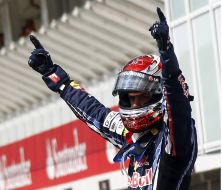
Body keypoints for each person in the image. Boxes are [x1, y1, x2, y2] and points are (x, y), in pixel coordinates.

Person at [28, 8, 197, 190]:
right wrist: (54, 76)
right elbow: (93, 112)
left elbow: (178, 107)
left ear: (160, 94)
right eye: (129, 98)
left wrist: (167, 52)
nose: (134, 105)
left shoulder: (176, 137)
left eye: (141, 98)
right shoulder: (130, 135)